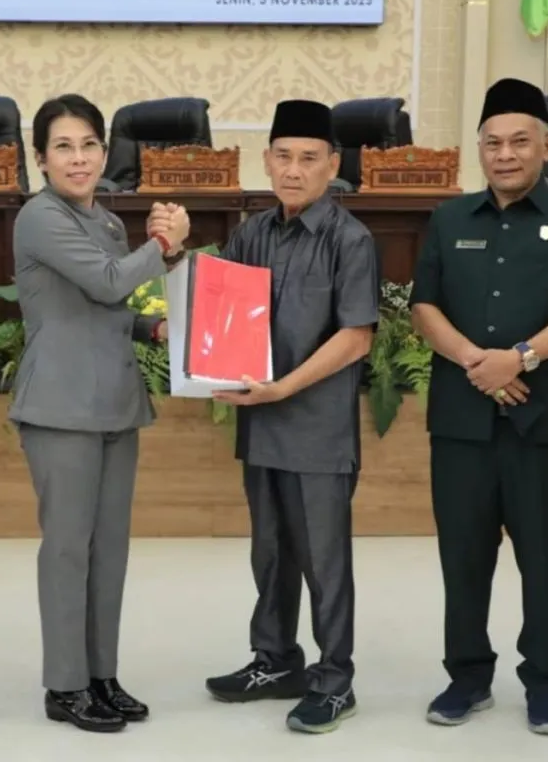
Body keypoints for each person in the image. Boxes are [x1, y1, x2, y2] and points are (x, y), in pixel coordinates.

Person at [410, 78, 548, 736]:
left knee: (546, 559)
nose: (505, 154)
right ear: (479, 148)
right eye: (493, 143)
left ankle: (545, 681)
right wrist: (479, 362)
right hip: (462, 422)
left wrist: (520, 357)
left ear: (547, 146)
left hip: (544, 422)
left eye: (519, 142)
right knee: (463, 556)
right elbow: (423, 307)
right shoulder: (449, 219)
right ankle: (467, 676)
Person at [196, 99, 380, 735]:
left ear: (332, 164)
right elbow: (219, 309)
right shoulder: (253, 233)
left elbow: (356, 337)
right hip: (262, 426)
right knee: (270, 554)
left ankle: (334, 681)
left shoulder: (350, 240)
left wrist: (283, 388)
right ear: (267, 161)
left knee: (324, 563)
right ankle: (275, 661)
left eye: (308, 158)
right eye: (283, 157)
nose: (293, 170)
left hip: (318, 430)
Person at [10, 93, 189, 733]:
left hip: (114, 400)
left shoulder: (109, 223)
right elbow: (109, 281)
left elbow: (106, 307)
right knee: (67, 550)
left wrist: (151, 328)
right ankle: (65, 684)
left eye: (89, 145)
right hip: (61, 405)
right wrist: (165, 243)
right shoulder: (39, 216)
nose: (79, 158)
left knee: (108, 550)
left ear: (105, 151)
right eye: (63, 147)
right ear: (40, 158)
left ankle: (100, 674)